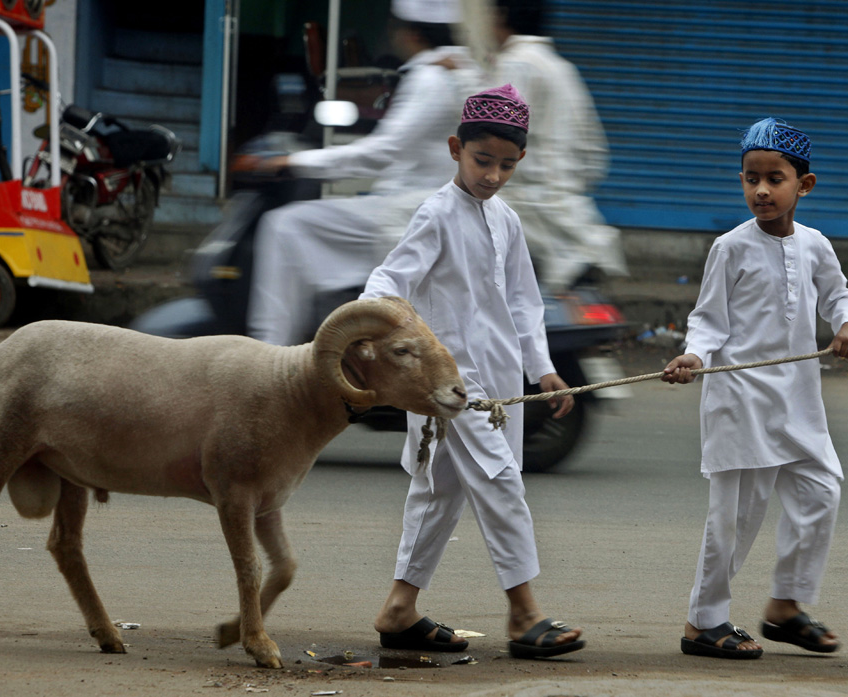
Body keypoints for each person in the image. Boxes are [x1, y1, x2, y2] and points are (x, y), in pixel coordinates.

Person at [360, 84, 586, 659]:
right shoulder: (436, 213)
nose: (492, 175)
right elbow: (388, 283)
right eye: (482, 160)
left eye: (506, 165)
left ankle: (398, 609)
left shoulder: (506, 219)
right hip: (450, 386)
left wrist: (543, 369)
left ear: (521, 162)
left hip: (502, 380)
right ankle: (524, 614)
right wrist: (373, 333)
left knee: (438, 494)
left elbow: (524, 303)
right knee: (502, 482)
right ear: (456, 148)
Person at [661, 117, 848, 659]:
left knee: (821, 491)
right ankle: (703, 623)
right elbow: (708, 320)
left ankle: (786, 606)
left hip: (797, 398)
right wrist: (693, 355)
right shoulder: (730, 248)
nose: (761, 190)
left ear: (805, 185)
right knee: (736, 517)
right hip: (740, 400)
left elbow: (840, 298)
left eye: (775, 178)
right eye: (751, 178)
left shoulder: (817, 245)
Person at [246, 0, 481, 345]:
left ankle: (270, 358)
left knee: (284, 226)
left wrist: (294, 163)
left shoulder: (433, 78)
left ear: (411, 33)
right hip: (427, 205)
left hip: (412, 212)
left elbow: (383, 151)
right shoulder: (461, 71)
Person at [488, 0, 627, 289]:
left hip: (528, 216)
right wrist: (568, 189)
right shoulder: (563, 69)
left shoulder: (515, 64)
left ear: (501, 16)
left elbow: (497, 134)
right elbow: (594, 153)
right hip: (575, 217)